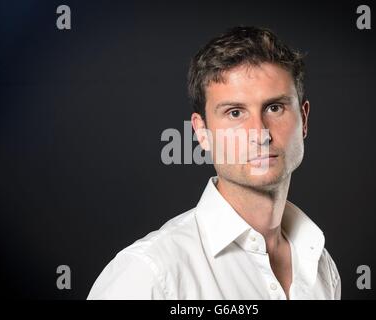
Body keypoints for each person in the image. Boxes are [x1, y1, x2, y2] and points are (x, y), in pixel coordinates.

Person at [88, 25, 341, 300]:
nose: (260, 133)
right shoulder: (151, 274)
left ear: (303, 119)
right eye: (235, 113)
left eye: (275, 107)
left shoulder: (320, 265)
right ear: (202, 133)